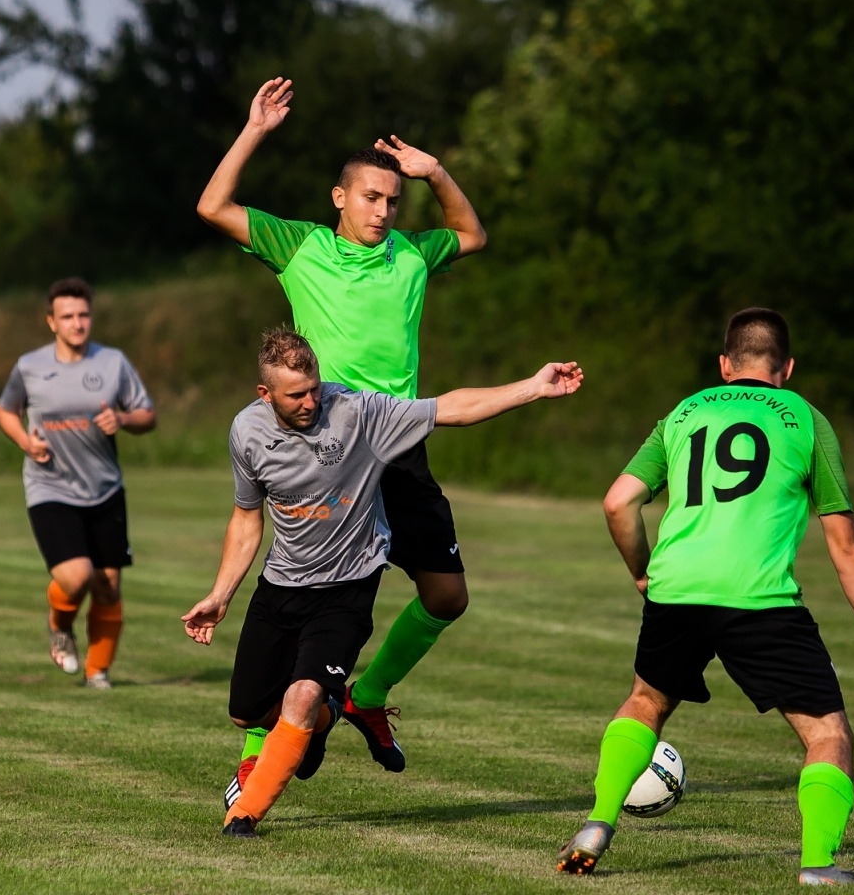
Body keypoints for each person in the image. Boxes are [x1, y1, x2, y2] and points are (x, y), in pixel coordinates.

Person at [196, 77, 489, 795]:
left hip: (397, 445)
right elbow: (212, 205)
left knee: (447, 595)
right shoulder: (299, 247)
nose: (384, 211)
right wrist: (255, 129)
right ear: (339, 198)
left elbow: (474, 235)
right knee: (299, 602)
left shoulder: (414, 254)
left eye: (393, 200)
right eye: (371, 197)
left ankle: (366, 694)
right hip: (322, 447)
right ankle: (255, 759)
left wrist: (438, 173)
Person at [557, 308, 854, 885]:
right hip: (760, 600)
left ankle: (599, 822)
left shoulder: (685, 411)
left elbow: (618, 502)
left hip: (676, 592)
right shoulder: (804, 418)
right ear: (788, 368)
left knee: (646, 703)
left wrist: (644, 572)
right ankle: (818, 865)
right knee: (827, 734)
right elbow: (844, 540)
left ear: (725, 365)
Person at [182, 330, 582, 838]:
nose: (310, 402)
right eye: (295, 395)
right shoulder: (247, 432)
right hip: (281, 587)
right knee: (247, 715)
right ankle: (329, 715)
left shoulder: (357, 413)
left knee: (299, 697)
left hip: (348, 588)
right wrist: (220, 595)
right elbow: (246, 518)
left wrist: (532, 386)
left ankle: (245, 815)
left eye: (313, 388)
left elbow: (448, 409)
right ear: (265, 395)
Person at [0, 278, 156, 690]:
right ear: (51, 321)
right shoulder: (30, 366)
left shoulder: (112, 363)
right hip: (50, 487)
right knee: (76, 576)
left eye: (83, 315)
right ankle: (59, 625)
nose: (77, 323)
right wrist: (24, 442)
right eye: (67, 316)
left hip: (104, 488)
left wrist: (121, 419)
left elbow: (146, 415)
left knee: (108, 584)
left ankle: (97, 672)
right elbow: (5, 410)